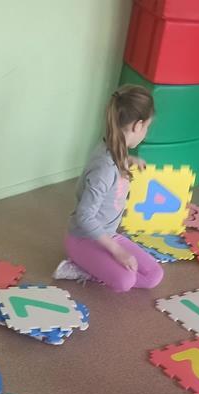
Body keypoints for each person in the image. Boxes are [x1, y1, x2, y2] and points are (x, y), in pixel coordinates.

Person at [53, 84, 165, 292]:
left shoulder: (116, 146)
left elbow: (112, 165)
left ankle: (101, 267)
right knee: (125, 281)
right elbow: (84, 216)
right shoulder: (104, 168)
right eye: (147, 127)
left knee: (153, 276)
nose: (146, 132)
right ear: (138, 125)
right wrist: (118, 251)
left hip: (109, 235)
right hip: (83, 239)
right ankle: (80, 267)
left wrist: (129, 161)